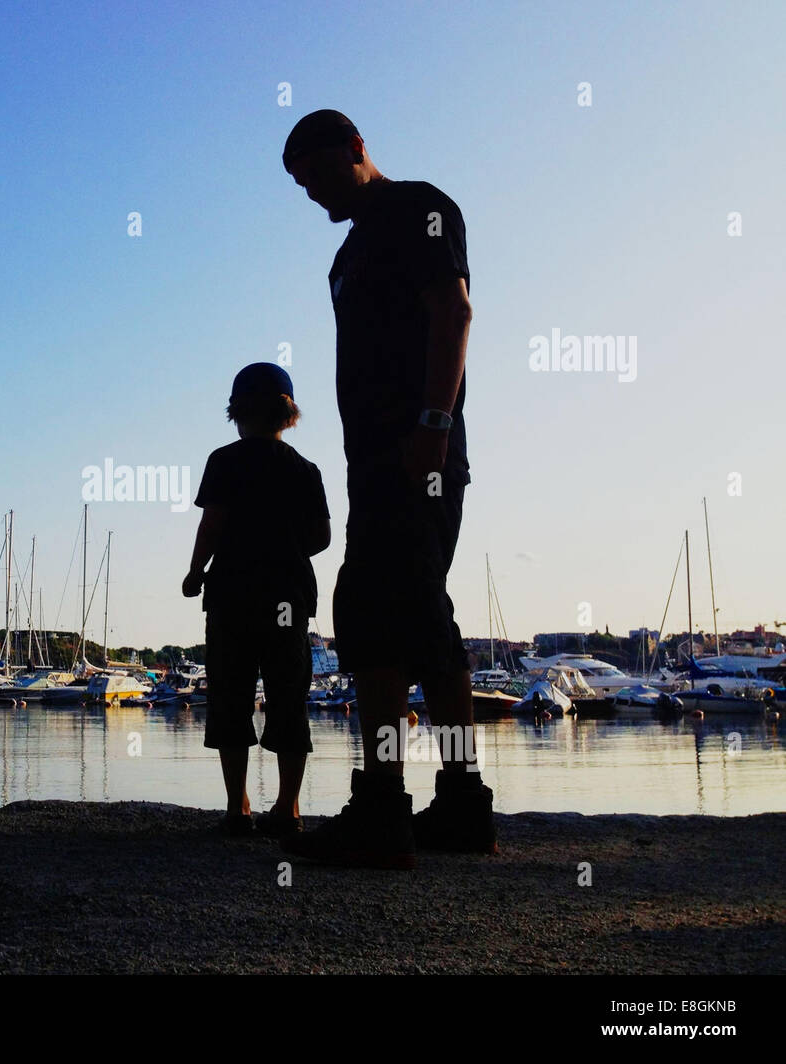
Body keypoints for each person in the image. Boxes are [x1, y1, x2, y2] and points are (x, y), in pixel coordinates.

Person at [278, 110, 496, 869]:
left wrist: (434, 423)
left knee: (368, 613)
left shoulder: (418, 209)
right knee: (424, 620)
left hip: (419, 452)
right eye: (301, 187)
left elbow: (454, 309)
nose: (313, 194)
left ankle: (381, 804)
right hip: (374, 462)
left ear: (357, 149)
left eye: (319, 175)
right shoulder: (345, 255)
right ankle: (462, 801)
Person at [182, 363, 331, 838]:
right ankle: (287, 807)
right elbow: (323, 537)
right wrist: (285, 547)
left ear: (236, 411)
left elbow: (213, 523)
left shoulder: (224, 461)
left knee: (231, 696)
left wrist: (194, 571)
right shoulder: (305, 470)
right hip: (288, 595)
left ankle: (237, 807)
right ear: (289, 415)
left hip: (231, 596)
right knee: (290, 697)